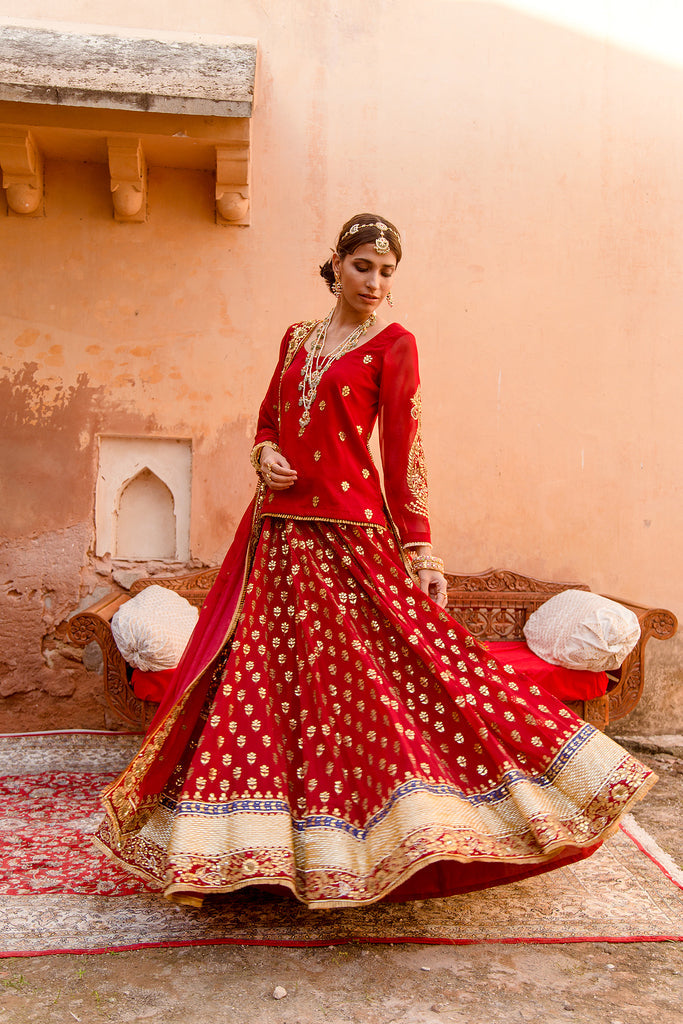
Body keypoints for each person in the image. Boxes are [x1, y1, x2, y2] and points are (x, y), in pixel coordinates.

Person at [95, 213, 655, 909]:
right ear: (335, 263)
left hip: (349, 538)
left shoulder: (393, 345)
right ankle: (241, 849)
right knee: (260, 684)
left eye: (387, 272)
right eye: (363, 266)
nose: (376, 283)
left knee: (377, 683)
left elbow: (403, 448)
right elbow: (269, 419)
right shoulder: (296, 338)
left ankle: (378, 841)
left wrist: (418, 545)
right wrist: (263, 452)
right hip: (275, 538)